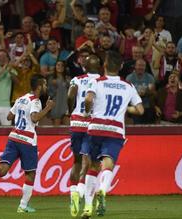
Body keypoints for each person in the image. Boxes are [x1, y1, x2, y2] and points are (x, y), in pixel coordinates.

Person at [0, 74, 55, 213]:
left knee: (3, 168)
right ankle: (23, 206)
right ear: (39, 87)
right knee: (30, 174)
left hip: (14, 137)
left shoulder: (21, 98)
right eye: (45, 84)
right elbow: (34, 118)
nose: (46, 87)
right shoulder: (35, 101)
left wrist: (20, 113)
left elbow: (9, 116)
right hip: (27, 140)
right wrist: (47, 108)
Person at [81, 51, 144, 218]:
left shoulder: (97, 82)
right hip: (115, 131)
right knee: (107, 164)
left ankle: (88, 207)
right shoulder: (128, 86)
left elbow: (88, 100)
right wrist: (125, 108)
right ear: (121, 66)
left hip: (96, 128)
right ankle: (102, 190)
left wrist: (87, 112)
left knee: (93, 166)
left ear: (105, 65)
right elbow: (140, 109)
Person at [67, 54, 101, 217]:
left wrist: (69, 110)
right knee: (89, 162)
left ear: (85, 67)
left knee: (77, 161)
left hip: (75, 123)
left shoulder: (77, 79)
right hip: (92, 124)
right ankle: (81, 196)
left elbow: (70, 95)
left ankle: (73, 191)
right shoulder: (102, 81)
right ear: (99, 66)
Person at [126, 59, 156, 124]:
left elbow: (153, 93)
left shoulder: (150, 77)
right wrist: (137, 94)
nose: (141, 67)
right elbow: (126, 94)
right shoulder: (129, 78)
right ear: (135, 66)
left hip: (147, 106)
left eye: (143, 66)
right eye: (139, 65)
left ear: (145, 67)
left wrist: (146, 92)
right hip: (135, 108)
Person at [47, 60, 70, 125]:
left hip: (66, 106)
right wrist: (54, 87)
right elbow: (49, 94)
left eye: (62, 65)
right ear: (55, 67)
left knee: (67, 130)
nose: (60, 67)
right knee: (56, 129)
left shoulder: (68, 79)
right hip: (56, 106)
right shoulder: (51, 79)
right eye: (58, 65)